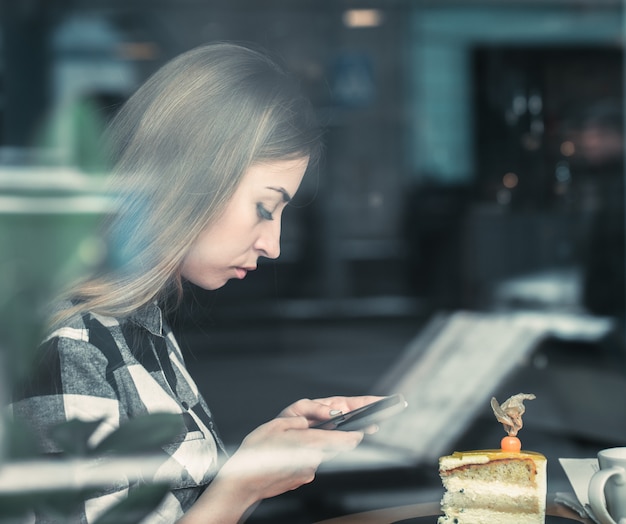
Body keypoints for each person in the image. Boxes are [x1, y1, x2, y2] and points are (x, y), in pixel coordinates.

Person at [9, 42, 379, 523]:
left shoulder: (137, 324)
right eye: (265, 208)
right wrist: (241, 486)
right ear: (192, 179)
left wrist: (262, 459)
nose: (274, 245)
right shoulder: (72, 342)